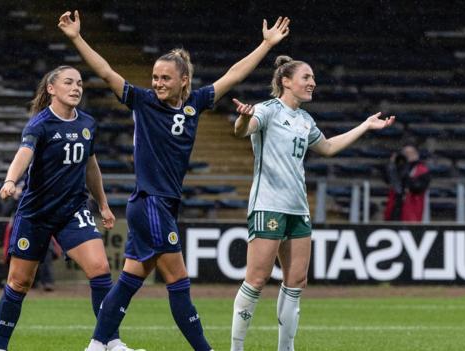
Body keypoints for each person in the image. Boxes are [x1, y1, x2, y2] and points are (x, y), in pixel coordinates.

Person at [58, 10, 291, 351]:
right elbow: (107, 72)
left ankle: (96, 344)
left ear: (184, 81)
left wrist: (266, 44)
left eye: (165, 78)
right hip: (151, 203)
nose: (157, 83)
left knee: (129, 280)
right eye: (155, 77)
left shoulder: (196, 103)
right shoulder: (143, 101)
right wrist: (77, 38)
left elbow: (234, 74)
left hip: (157, 205)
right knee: (179, 281)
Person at [230, 56, 395, 351]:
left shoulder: (305, 120)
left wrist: (365, 126)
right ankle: (236, 348)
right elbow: (243, 130)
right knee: (257, 279)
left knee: (297, 282)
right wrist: (242, 117)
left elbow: (328, 147)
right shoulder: (267, 111)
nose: (312, 83)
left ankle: (285, 348)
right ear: (286, 81)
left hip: (298, 208)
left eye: (313, 78)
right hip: (268, 205)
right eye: (306, 77)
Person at [0, 65, 135, 351]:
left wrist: (103, 205)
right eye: (69, 82)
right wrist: (10, 180)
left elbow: (90, 166)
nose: (76, 88)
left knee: (100, 268)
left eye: (80, 83)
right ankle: (0, 348)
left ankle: (110, 342)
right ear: (51, 89)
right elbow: (24, 153)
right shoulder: (40, 124)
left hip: (73, 210)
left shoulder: (87, 124)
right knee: (19, 283)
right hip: (36, 213)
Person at [384, 144, 430, 222]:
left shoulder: (422, 169)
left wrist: (406, 173)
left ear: (417, 154)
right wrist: (392, 164)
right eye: (406, 153)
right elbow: (387, 179)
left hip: (411, 210)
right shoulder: (396, 168)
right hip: (395, 208)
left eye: (411, 153)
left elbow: (418, 188)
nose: (408, 155)